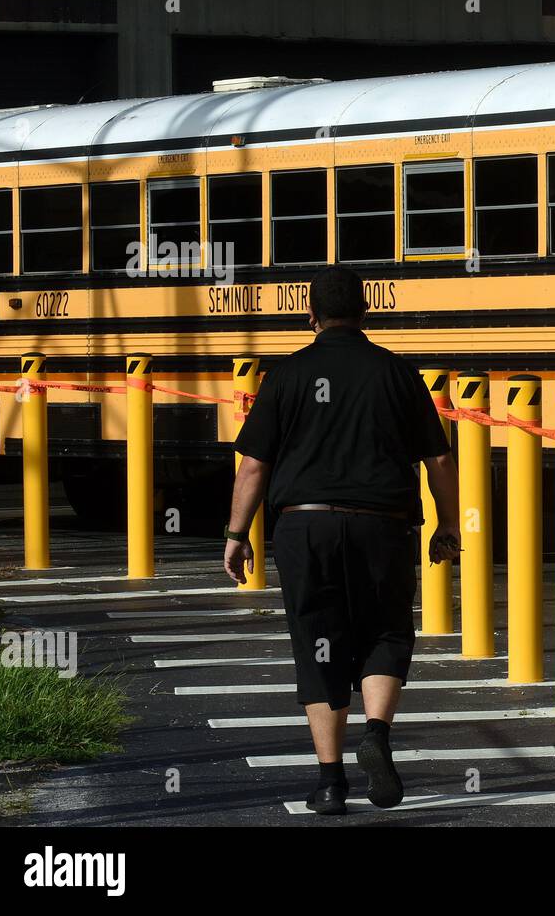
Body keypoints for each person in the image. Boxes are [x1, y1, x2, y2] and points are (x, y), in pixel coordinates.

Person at [223, 266, 461, 816]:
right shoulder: (398, 373)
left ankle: (330, 784)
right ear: (365, 312)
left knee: (319, 639)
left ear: (310, 315)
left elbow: (253, 467)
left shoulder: (286, 375)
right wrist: (448, 525)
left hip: (306, 528)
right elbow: (439, 458)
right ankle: (376, 732)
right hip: (384, 524)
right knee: (384, 629)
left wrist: (238, 534)